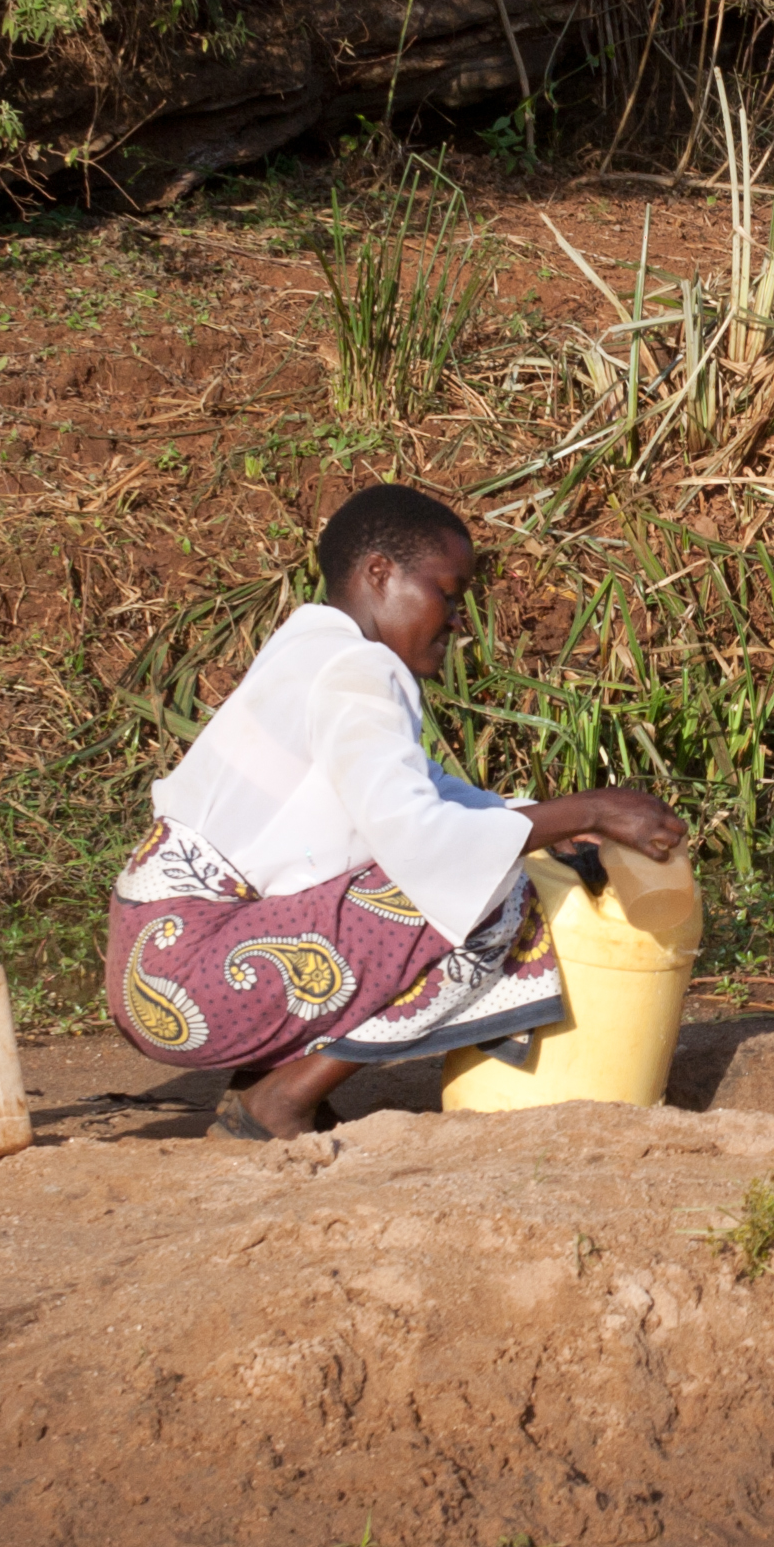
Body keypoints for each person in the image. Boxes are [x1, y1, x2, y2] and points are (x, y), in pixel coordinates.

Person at [113, 483, 689, 1140]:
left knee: (473, 860)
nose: (457, 620)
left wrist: (557, 820)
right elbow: (430, 845)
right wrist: (588, 808)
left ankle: (268, 1080)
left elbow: (424, 793)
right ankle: (280, 1100)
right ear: (379, 574)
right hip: (192, 979)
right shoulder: (357, 670)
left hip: (162, 967)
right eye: (448, 593)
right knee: (492, 893)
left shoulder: (314, 652)